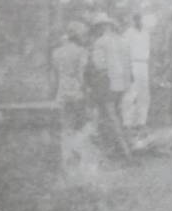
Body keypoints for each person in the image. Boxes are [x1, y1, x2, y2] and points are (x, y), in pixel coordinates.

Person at [88, 14, 134, 161]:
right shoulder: (123, 41)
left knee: (109, 115)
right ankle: (119, 148)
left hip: (107, 82)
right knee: (117, 115)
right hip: (122, 84)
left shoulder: (100, 42)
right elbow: (128, 65)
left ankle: (125, 152)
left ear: (102, 27)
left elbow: (99, 65)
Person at [52, 22, 94, 179]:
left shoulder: (56, 52)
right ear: (78, 36)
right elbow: (80, 75)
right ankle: (81, 164)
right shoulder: (81, 52)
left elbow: (57, 74)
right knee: (81, 127)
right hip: (77, 92)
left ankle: (66, 163)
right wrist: (86, 90)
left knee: (66, 127)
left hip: (62, 92)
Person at [121, 13, 152, 129]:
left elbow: (149, 50)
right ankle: (127, 122)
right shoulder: (128, 33)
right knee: (130, 94)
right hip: (132, 63)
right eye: (136, 19)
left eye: (140, 19)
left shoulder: (146, 33)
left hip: (144, 64)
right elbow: (124, 52)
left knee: (144, 95)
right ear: (133, 20)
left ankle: (141, 122)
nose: (139, 21)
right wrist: (127, 69)